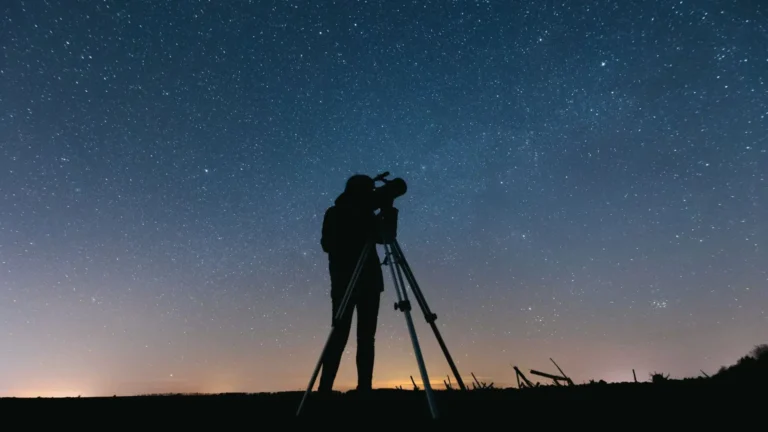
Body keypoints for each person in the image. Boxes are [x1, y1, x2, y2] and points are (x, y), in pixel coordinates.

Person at [317, 174, 385, 393]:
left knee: (367, 338)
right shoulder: (335, 213)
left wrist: (389, 210)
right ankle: (325, 388)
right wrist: (357, 224)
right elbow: (328, 244)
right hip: (345, 282)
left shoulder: (369, 214)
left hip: (370, 283)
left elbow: (386, 237)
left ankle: (365, 387)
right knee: (339, 335)